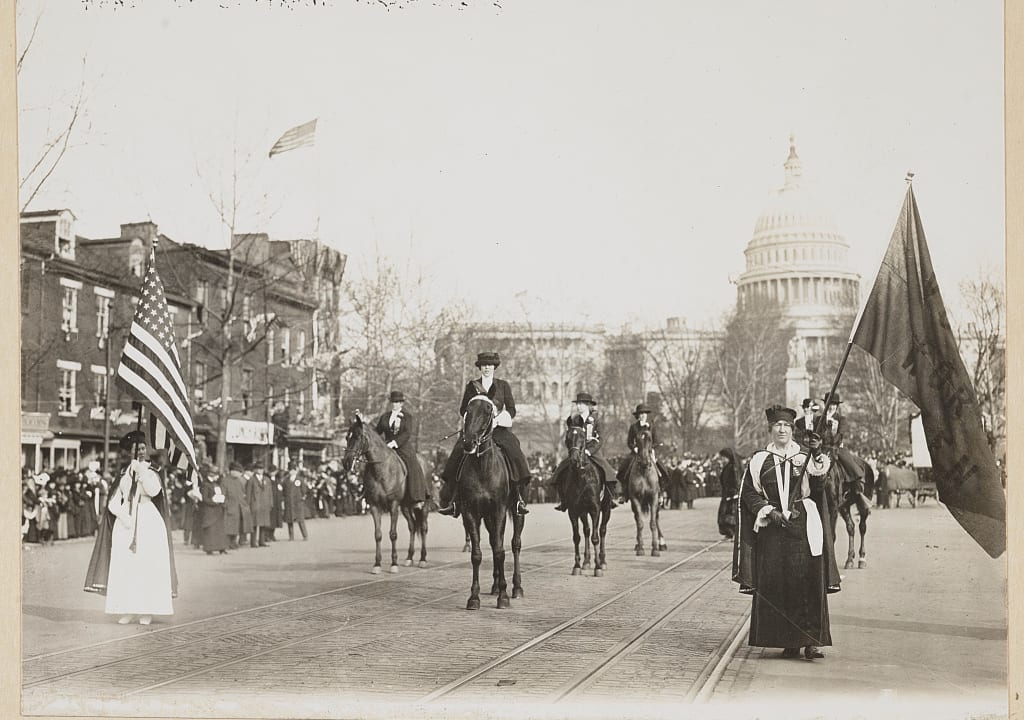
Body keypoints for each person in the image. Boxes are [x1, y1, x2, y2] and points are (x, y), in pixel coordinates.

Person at [732, 405, 841, 660]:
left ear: (793, 430)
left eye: (787, 426)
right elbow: (749, 493)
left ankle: (812, 641)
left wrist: (816, 453)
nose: (782, 430)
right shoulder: (759, 460)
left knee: (808, 582)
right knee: (779, 584)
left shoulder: (805, 457)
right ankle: (788, 640)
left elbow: (819, 485)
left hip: (803, 525)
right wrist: (769, 511)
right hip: (773, 528)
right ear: (770, 429)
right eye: (778, 426)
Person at [84, 430, 176, 625]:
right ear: (130, 451)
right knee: (126, 566)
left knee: (146, 565)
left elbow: (154, 491)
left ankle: (147, 610)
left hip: (147, 519)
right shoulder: (124, 474)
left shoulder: (152, 472)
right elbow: (114, 500)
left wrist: (142, 472)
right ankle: (127, 608)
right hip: (126, 523)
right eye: (137, 448)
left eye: (143, 448)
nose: (141, 451)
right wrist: (123, 516)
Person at [437, 352, 532, 517]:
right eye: (484, 365)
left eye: (490, 365)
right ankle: (453, 500)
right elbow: (463, 409)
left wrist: (498, 420)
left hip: (498, 429)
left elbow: (511, 409)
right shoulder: (472, 386)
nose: (487, 368)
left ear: (494, 367)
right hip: (476, 430)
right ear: (480, 367)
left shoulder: (503, 385)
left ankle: (518, 499)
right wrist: (472, 423)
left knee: (515, 453)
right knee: (457, 454)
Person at [551, 392, 619, 512]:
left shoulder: (596, 420)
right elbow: (571, 437)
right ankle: (563, 500)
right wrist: (573, 449)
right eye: (578, 404)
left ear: (588, 405)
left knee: (608, 472)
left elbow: (600, 439)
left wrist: (589, 450)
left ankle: (609, 498)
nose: (578, 406)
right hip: (577, 452)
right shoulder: (575, 420)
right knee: (560, 470)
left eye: (581, 404)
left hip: (592, 452)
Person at [374, 391, 429, 509]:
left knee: (413, 464)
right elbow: (377, 432)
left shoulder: (407, 417)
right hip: (387, 447)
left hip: (402, 446)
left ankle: (417, 497)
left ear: (401, 403)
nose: (395, 404)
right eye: (393, 402)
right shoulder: (384, 417)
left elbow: (407, 433)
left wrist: (395, 443)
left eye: (397, 402)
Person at [614, 403, 669, 504]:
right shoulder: (633, 427)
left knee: (662, 469)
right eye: (641, 413)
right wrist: (634, 448)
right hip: (636, 453)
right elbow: (629, 441)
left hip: (649, 452)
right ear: (638, 415)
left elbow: (656, 441)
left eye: (644, 413)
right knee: (623, 468)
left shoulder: (652, 426)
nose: (643, 415)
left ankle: (661, 493)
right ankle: (624, 493)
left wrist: (652, 449)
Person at [716, 448, 742, 539]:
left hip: (732, 495)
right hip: (726, 494)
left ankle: (733, 533)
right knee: (725, 514)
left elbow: (736, 482)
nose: (722, 460)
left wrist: (733, 493)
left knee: (731, 514)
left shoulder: (733, 468)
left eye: (723, 458)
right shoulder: (727, 467)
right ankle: (729, 533)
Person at [247, 465, 273, 547]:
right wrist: (248, 504)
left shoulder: (267, 479)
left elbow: (270, 493)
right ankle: (253, 542)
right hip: (255, 504)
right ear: (255, 470)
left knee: (263, 524)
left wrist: (270, 503)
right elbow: (248, 493)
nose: (260, 470)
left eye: (261, 469)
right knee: (254, 524)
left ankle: (262, 541)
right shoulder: (251, 480)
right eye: (258, 469)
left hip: (265, 504)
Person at [282, 462, 309, 540]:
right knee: (289, 520)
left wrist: (302, 497)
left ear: (296, 471)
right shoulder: (286, 480)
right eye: (290, 470)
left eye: (293, 470)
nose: (292, 472)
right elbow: (284, 491)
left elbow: (304, 490)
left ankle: (305, 535)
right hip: (289, 502)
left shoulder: (300, 479)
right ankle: (291, 536)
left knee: (300, 520)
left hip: (297, 503)